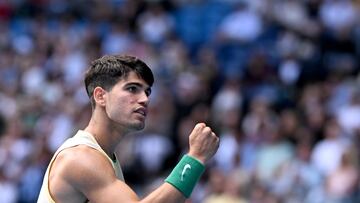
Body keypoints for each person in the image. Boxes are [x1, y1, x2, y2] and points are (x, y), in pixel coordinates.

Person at [37, 55, 220, 203]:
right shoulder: (81, 157)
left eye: (147, 92)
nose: (145, 99)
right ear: (101, 96)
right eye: (132, 89)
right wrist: (195, 159)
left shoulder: (104, 157)